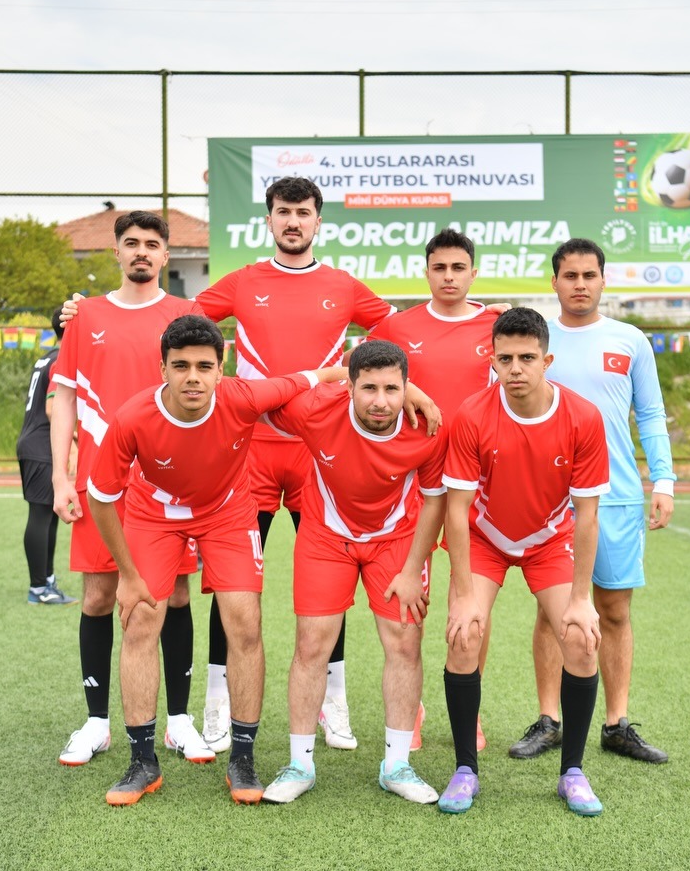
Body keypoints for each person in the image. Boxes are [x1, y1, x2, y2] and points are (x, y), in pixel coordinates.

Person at [84, 315, 350, 805]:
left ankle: (242, 757)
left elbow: (312, 377)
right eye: (180, 366)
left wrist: (382, 381)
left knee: (244, 623)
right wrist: (127, 574)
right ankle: (142, 761)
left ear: (221, 367)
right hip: (155, 514)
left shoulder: (244, 397)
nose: (193, 377)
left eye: (204, 366)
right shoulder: (133, 417)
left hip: (227, 513)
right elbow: (101, 499)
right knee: (141, 622)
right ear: (162, 368)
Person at [192, 176, 396, 753]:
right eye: (283, 212)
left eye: (303, 212)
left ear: (317, 221)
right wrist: (80, 311)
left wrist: (479, 315)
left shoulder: (342, 286)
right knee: (232, 585)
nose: (293, 222)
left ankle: (334, 705)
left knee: (330, 584)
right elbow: (178, 320)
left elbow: (402, 331)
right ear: (269, 220)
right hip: (249, 450)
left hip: (320, 455)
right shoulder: (243, 281)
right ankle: (217, 704)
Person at [49, 211, 215, 769]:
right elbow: (65, 398)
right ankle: (96, 723)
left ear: (166, 255)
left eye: (151, 244)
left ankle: (179, 721)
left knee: (175, 596)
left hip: (168, 482)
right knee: (99, 596)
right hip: (100, 483)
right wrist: (60, 476)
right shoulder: (86, 316)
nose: (141, 251)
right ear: (117, 252)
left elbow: (207, 394)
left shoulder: (188, 315)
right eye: (131, 243)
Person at [437, 307, 611, 817]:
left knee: (581, 639)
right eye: (505, 359)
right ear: (492, 361)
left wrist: (581, 599)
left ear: (546, 361)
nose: (515, 369)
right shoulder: (472, 415)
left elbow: (587, 516)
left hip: (549, 540)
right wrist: (463, 595)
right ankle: (465, 770)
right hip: (485, 538)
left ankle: (572, 772)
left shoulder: (583, 417)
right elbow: (456, 510)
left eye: (527, 358)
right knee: (464, 634)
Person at [507, 237, 675, 765]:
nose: (580, 284)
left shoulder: (630, 340)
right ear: (554, 281)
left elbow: (650, 414)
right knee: (551, 611)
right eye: (570, 275)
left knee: (615, 611)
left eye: (589, 275)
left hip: (617, 495)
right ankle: (549, 720)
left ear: (603, 279)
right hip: (552, 500)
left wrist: (664, 481)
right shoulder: (535, 340)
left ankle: (616, 723)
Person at [259, 339, 446, 805]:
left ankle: (397, 766)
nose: (380, 401)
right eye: (369, 388)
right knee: (311, 645)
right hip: (326, 538)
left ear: (407, 388)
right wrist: (325, 375)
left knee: (405, 644)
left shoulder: (427, 425)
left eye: (392, 389)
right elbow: (259, 399)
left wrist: (412, 569)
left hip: (397, 540)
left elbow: (435, 501)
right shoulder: (317, 409)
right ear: (349, 387)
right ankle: (300, 765)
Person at [363, 228, 501, 752]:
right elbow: (364, 379)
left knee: (472, 600)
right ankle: (412, 708)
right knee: (411, 595)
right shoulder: (396, 326)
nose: (448, 276)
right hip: (414, 480)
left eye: (458, 267)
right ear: (426, 272)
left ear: (473, 273)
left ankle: (471, 708)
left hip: (478, 480)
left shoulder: (495, 325)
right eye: (439, 267)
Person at [18, 308, 75, 604]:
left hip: (34, 442)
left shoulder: (47, 356)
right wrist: (74, 440)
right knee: (40, 515)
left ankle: (47, 580)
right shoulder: (62, 359)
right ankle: (39, 588)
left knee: (49, 515)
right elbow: (53, 409)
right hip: (42, 445)